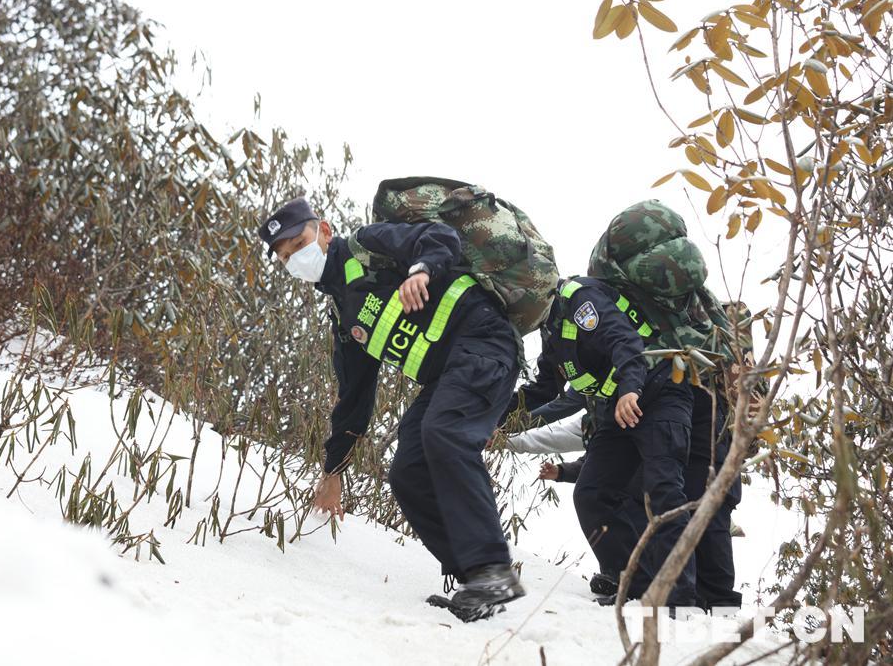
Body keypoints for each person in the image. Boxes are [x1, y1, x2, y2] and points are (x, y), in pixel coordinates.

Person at [257, 197, 525, 621]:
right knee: (408, 472)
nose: (295, 258)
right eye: (286, 257)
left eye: (299, 244)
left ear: (323, 231)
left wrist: (422, 270)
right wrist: (333, 472)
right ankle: (476, 581)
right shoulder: (345, 317)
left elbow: (439, 236)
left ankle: (493, 571)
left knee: (443, 433)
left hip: (485, 344)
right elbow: (355, 398)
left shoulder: (367, 245)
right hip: (446, 378)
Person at [501, 275, 697, 608]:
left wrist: (630, 388)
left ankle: (678, 600)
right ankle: (633, 588)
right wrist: (495, 421)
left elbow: (624, 341)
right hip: (617, 409)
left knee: (664, 491)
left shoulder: (580, 300)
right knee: (592, 493)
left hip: (657, 392)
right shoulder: (552, 331)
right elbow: (543, 389)